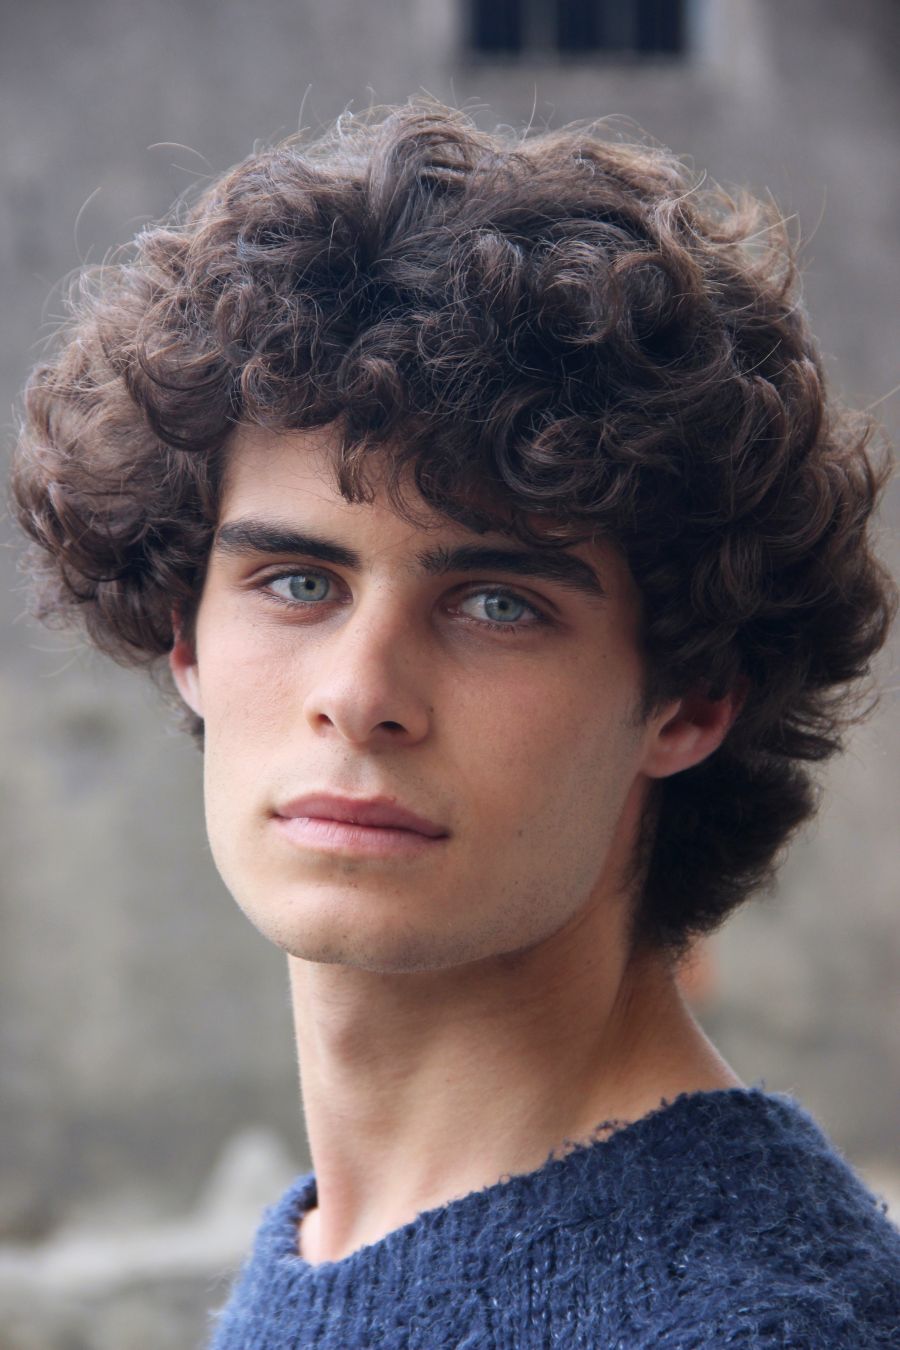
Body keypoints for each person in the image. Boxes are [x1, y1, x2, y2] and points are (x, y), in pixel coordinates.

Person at [11, 99, 899, 1347]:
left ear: (692, 698)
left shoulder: (763, 1322)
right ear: (185, 638)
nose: (361, 692)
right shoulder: (332, 1249)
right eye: (298, 582)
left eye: (497, 604)